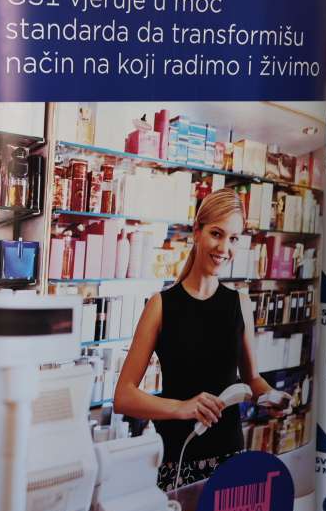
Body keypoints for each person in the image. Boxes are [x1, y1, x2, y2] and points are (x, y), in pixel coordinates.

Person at [113, 188, 288, 491]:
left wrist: (271, 396)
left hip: (231, 459)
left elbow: (252, 378)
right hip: (178, 460)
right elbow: (123, 397)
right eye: (216, 234)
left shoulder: (239, 304)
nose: (224, 248)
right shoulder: (161, 305)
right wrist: (182, 407)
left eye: (233, 239)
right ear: (197, 231)